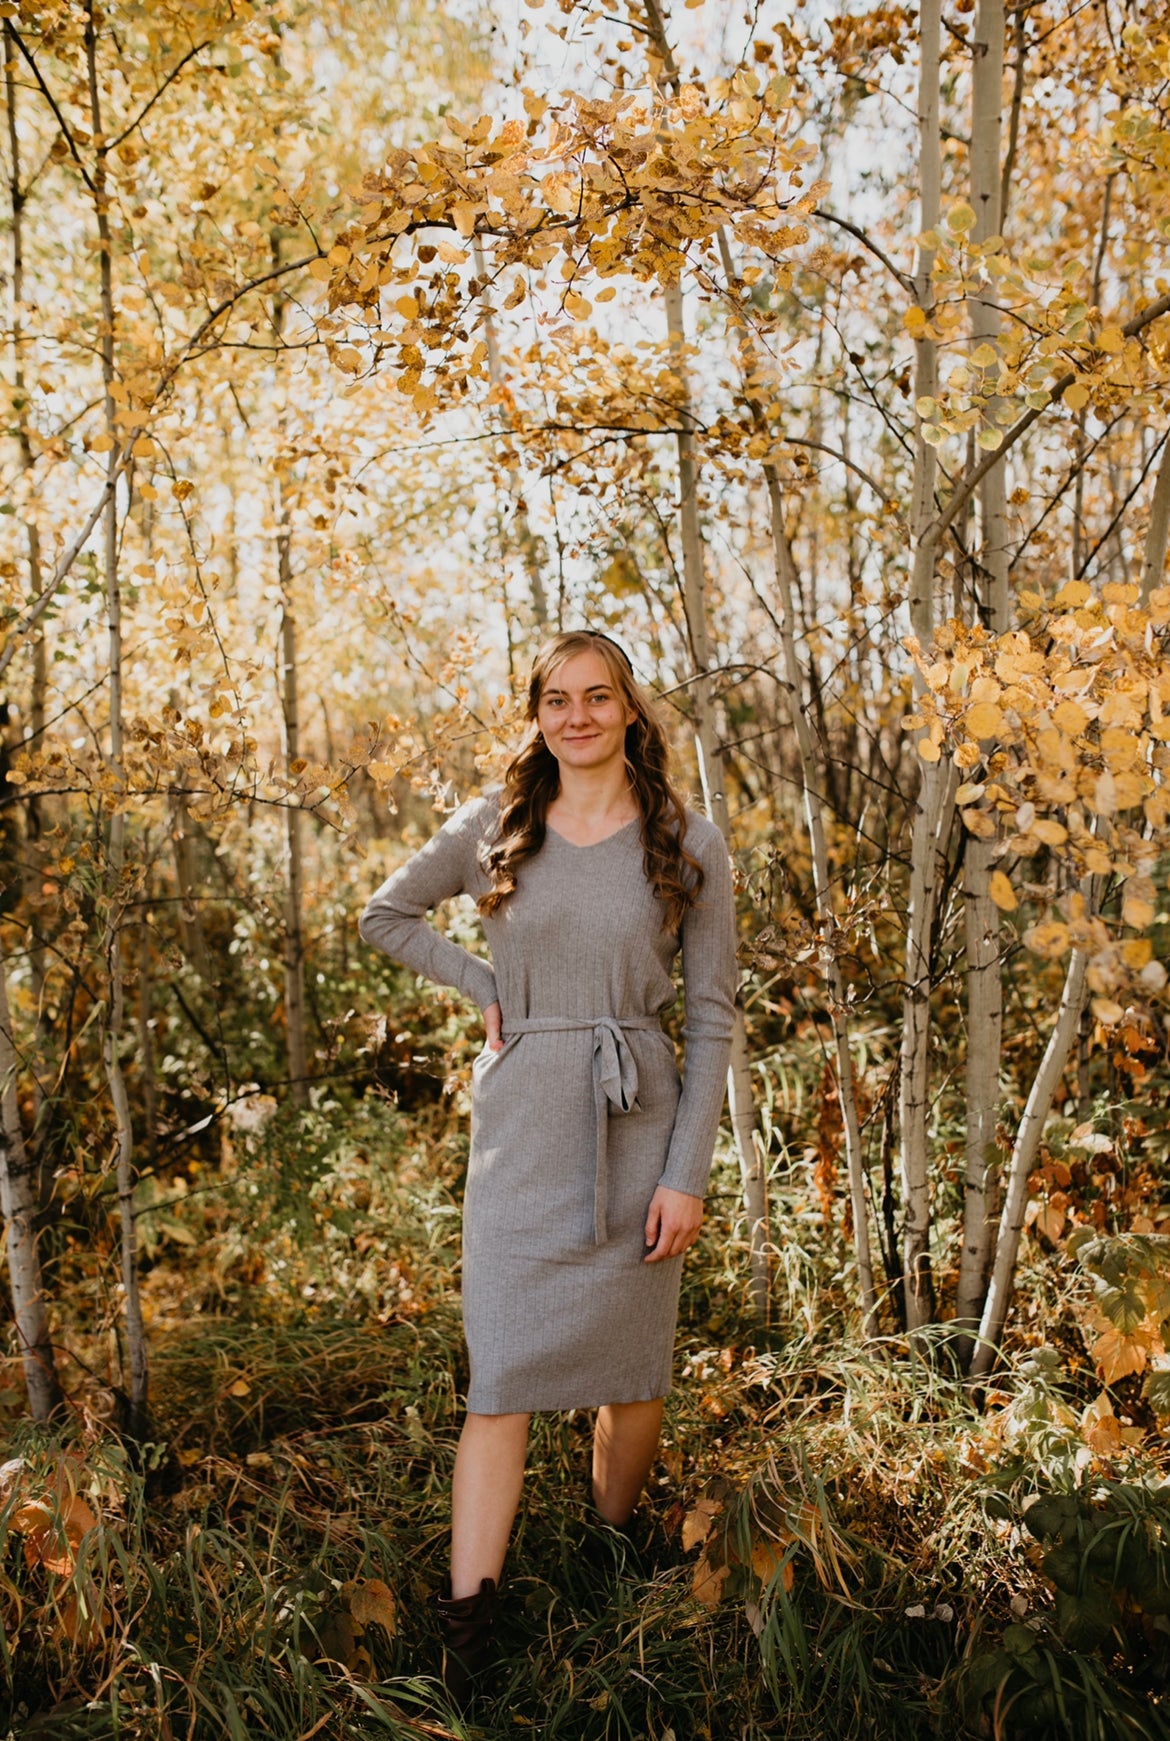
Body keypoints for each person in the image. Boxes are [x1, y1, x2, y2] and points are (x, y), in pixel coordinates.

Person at [358, 629, 736, 1702]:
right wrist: (486, 985)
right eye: (556, 699)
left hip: (640, 1119)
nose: (576, 715)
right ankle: (467, 1633)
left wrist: (687, 1173)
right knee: (505, 1376)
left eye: (598, 696)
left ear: (629, 711)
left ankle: (609, 1549)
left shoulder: (688, 841)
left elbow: (711, 1019)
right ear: (537, 712)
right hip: (523, 1128)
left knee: (632, 1370)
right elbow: (383, 914)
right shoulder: (497, 827)